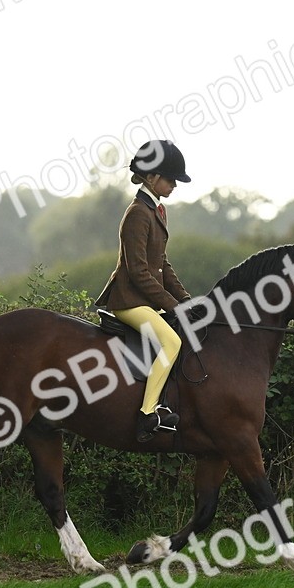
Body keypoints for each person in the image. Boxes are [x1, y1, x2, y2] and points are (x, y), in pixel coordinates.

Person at [95, 139, 194, 442]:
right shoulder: (138, 213)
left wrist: (186, 299)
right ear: (152, 178)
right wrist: (172, 305)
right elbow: (139, 272)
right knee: (172, 342)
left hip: (145, 299)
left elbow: (162, 265)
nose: (175, 185)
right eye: (170, 179)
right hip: (128, 301)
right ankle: (147, 414)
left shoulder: (156, 211)